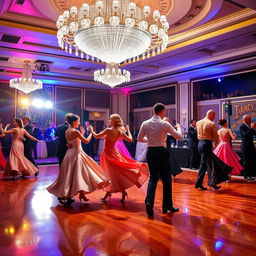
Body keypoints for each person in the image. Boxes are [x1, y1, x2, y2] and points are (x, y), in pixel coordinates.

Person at [47, 114, 109, 203]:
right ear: (73, 122)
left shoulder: (67, 131)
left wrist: (82, 133)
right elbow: (86, 141)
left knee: (75, 176)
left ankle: (80, 194)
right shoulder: (75, 131)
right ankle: (70, 195)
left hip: (69, 155)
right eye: (78, 121)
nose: (79, 123)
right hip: (76, 154)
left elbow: (74, 141)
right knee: (79, 175)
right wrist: (91, 132)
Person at [89, 114, 148, 202]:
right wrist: (128, 131)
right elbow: (131, 140)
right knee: (115, 173)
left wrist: (91, 131)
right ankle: (119, 192)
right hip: (114, 153)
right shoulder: (120, 132)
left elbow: (97, 136)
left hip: (108, 154)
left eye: (110, 119)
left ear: (113, 121)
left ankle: (111, 192)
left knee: (110, 173)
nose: (109, 121)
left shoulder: (108, 130)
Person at [138, 103, 182, 217]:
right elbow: (179, 137)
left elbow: (139, 138)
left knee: (153, 179)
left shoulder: (145, 123)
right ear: (162, 111)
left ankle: (149, 202)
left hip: (151, 152)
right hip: (162, 152)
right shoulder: (164, 123)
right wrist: (179, 128)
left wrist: (151, 139)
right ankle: (167, 206)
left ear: (153, 111)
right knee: (167, 180)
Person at [195, 110, 231, 191]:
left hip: (200, 144)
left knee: (211, 163)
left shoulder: (198, 122)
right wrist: (215, 145)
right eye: (214, 115)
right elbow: (216, 137)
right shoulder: (211, 123)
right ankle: (198, 183)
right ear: (210, 114)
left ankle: (212, 183)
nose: (214, 117)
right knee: (204, 164)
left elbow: (197, 133)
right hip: (207, 144)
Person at [55, 113, 73, 205]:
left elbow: (56, 136)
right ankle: (62, 194)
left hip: (60, 151)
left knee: (63, 173)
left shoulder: (60, 126)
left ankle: (67, 194)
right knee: (66, 174)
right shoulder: (69, 128)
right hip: (67, 151)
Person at [240, 115, 256, 180]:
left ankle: (250, 175)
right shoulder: (242, 127)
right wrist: (251, 128)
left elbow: (254, 133)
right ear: (245, 120)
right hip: (245, 147)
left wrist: (253, 129)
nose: (250, 120)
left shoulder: (248, 127)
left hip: (251, 147)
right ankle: (246, 176)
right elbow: (245, 135)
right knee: (246, 162)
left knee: (250, 161)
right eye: (249, 119)